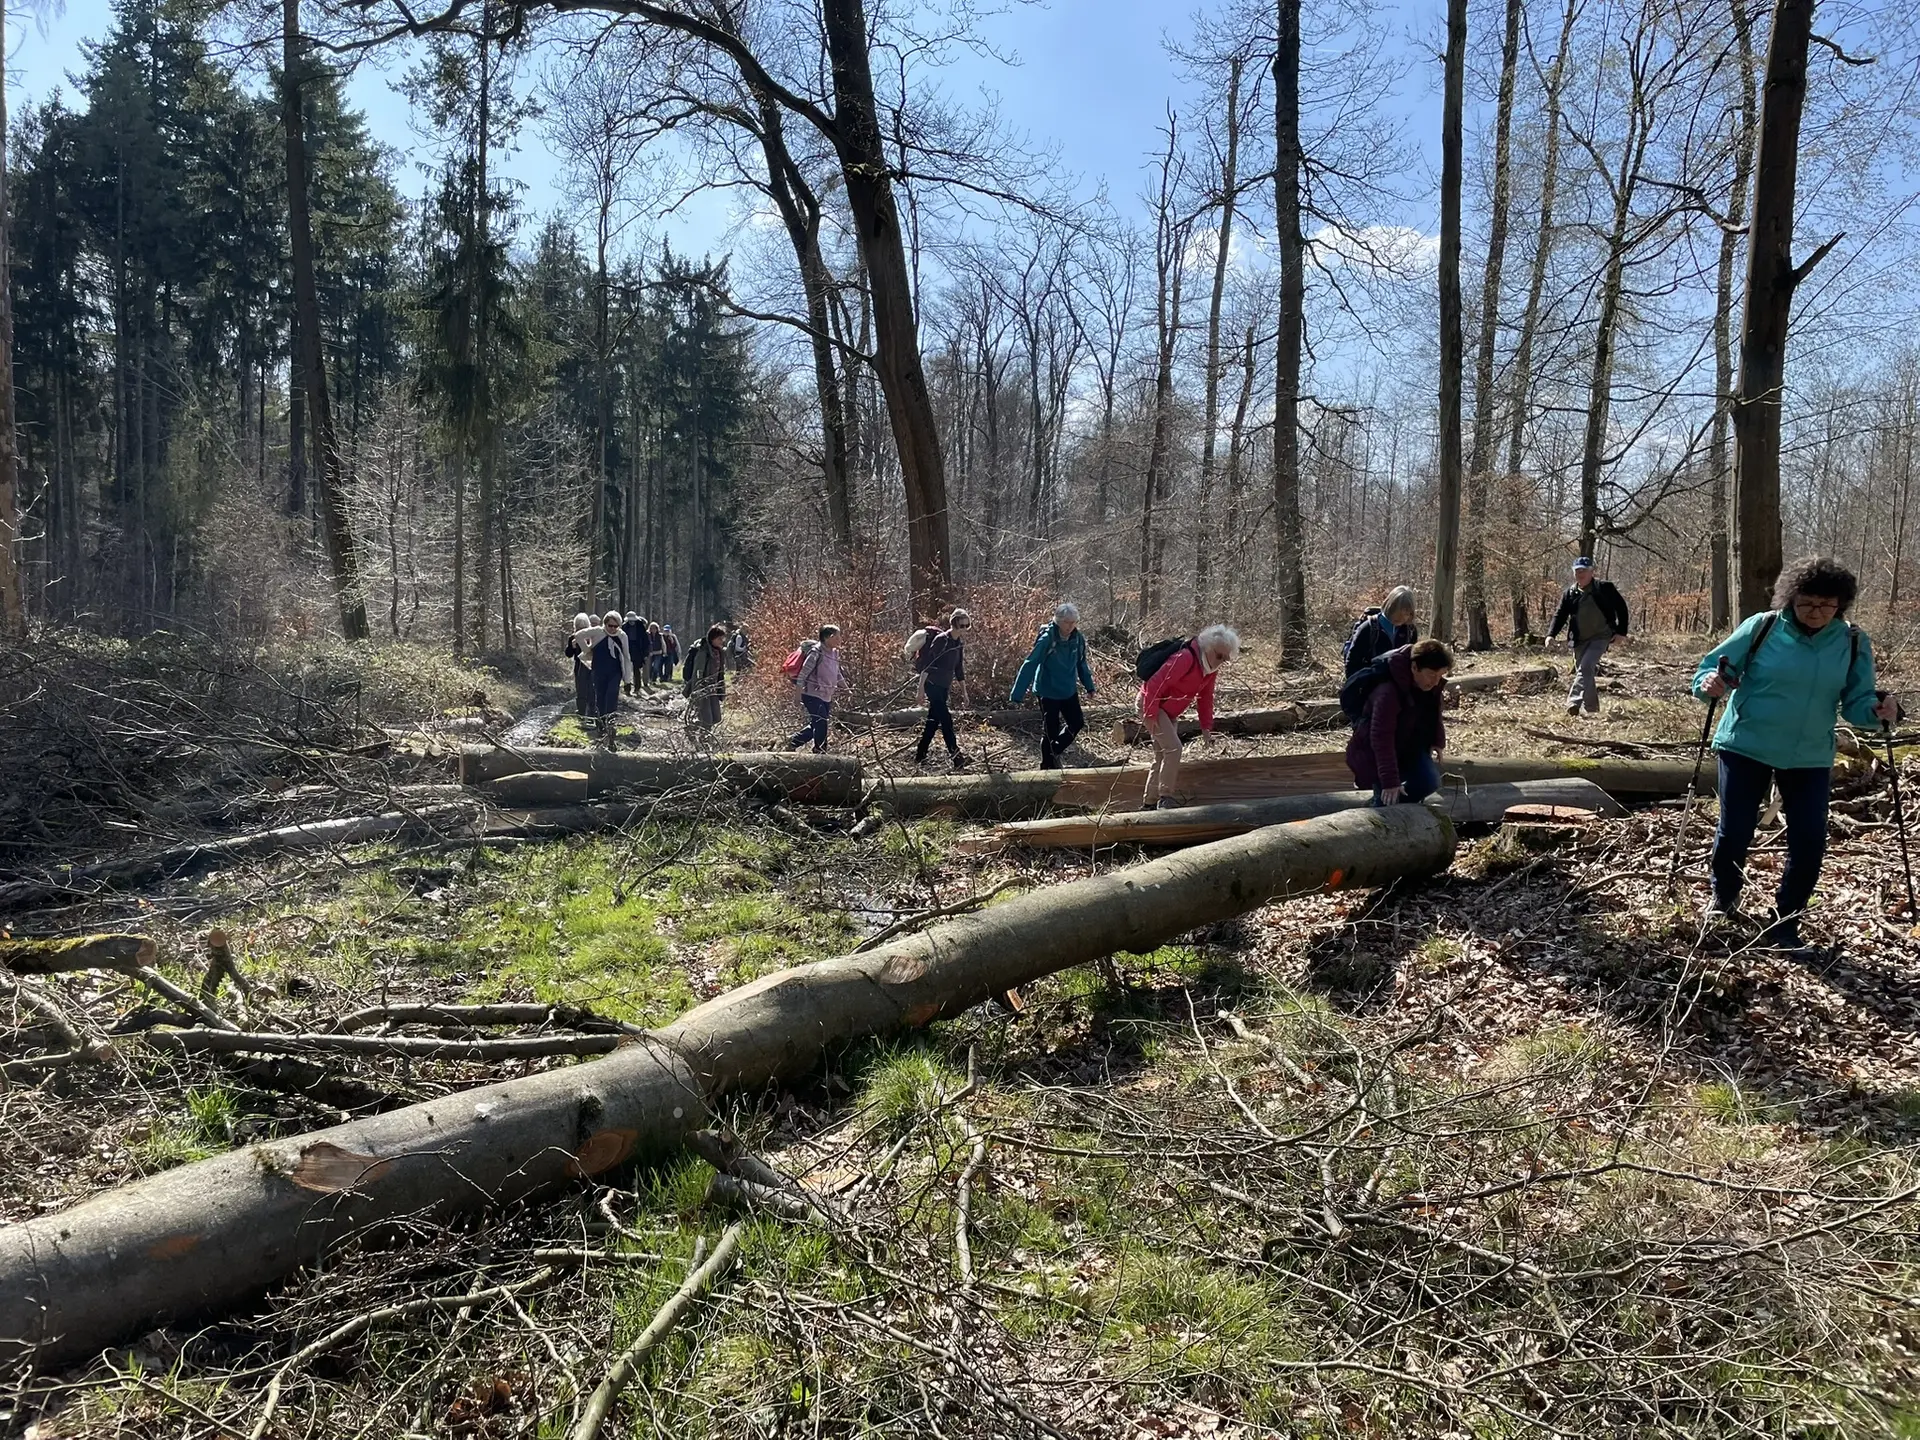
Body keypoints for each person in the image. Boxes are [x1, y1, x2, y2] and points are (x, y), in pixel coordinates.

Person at [1693, 556, 1897, 950]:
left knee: (1809, 840)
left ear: (1841, 604)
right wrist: (1711, 683)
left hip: (1809, 754)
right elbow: (1710, 671)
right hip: (1746, 744)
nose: (1816, 612)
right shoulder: (1763, 627)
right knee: (1736, 830)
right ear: (1790, 599)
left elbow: (1858, 702)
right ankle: (1723, 901)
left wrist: (1878, 711)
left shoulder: (1853, 641)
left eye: (1826, 604)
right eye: (1807, 603)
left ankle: (1785, 923)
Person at [1137, 624, 1239, 810]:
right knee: (1174, 748)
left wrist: (1206, 728)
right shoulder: (1185, 658)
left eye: (1225, 659)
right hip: (1152, 703)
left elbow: (1206, 698)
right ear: (1208, 648)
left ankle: (1149, 803)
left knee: (1162, 755)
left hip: (1168, 711)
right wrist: (1150, 714)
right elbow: (1154, 684)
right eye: (1219, 656)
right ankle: (1165, 798)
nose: (1220, 662)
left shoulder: (1210, 669)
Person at [1346, 639, 1453, 805]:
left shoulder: (1429, 685)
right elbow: (1381, 738)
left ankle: (1397, 811)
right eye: (1432, 675)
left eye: (1441, 675)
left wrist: (1437, 740)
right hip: (1376, 754)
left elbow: (1434, 712)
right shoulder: (1387, 692)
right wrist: (1390, 782)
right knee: (1387, 800)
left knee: (1429, 782)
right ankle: (1377, 808)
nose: (1435, 682)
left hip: (1409, 745)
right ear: (1414, 667)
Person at [1011, 602, 1098, 770]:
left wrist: (1089, 686)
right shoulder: (1047, 639)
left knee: (1077, 723)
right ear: (1058, 621)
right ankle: (1046, 767)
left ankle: (1055, 751)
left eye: (1073, 622)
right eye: (1067, 622)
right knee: (1050, 730)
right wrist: (1017, 693)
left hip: (1068, 690)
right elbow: (1030, 664)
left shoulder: (1077, 639)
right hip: (1048, 690)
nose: (1070, 626)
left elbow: (1081, 663)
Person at [1547, 557, 1631, 716]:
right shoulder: (1570, 593)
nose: (1580, 574)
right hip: (1579, 639)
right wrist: (1551, 634)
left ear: (1592, 572)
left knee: (1585, 667)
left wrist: (1621, 632)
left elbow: (1621, 608)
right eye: (1577, 571)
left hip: (1601, 636)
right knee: (1585, 672)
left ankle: (1573, 702)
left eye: (1584, 571)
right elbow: (1560, 615)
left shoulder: (1604, 588)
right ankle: (1592, 709)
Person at [913, 608, 973, 770]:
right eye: (962, 625)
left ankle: (920, 754)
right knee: (946, 720)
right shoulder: (941, 640)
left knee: (933, 722)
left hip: (944, 687)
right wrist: (920, 690)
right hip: (932, 685)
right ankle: (957, 758)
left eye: (967, 625)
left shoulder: (958, 644)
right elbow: (928, 665)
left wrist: (964, 692)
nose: (964, 629)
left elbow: (959, 669)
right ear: (954, 623)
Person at [787, 625, 844, 752]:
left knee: (817, 723)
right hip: (811, 694)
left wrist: (846, 689)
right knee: (821, 722)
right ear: (829, 637)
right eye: (837, 636)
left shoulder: (834, 653)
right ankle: (820, 751)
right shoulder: (816, 652)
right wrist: (797, 696)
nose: (840, 639)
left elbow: (837, 673)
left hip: (826, 695)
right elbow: (803, 674)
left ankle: (793, 742)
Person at [1343, 587, 1419, 678]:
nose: (1401, 618)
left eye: (1406, 614)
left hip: (1398, 683)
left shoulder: (1410, 631)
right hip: (1371, 682)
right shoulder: (1368, 628)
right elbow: (1351, 664)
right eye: (1398, 612)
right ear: (1390, 607)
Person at [682, 622, 730, 743]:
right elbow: (698, 672)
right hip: (703, 690)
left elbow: (720, 673)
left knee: (716, 717)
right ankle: (703, 739)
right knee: (707, 718)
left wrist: (721, 689)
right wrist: (698, 690)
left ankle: (693, 727)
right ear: (713, 638)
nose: (722, 641)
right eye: (720, 639)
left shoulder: (719, 652)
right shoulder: (703, 652)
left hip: (713, 690)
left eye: (723, 639)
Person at [587, 611, 633, 736]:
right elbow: (580, 635)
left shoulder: (622, 636)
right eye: (610, 626)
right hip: (598, 670)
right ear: (605, 624)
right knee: (600, 697)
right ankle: (600, 724)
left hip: (615, 671)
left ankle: (611, 723)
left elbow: (626, 656)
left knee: (612, 695)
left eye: (615, 626)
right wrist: (583, 648)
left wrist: (627, 678)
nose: (612, 629)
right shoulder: (598, 633)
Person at [564, 612, 597, 719]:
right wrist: (572, 647)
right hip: (579, 667)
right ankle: (581, 711)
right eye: (579, 627)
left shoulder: (592, 636)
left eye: (583, 627)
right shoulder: (573, 637)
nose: (581, 630)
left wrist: (588, 644)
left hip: (592, 666)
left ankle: (592, 712)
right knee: (580, 689)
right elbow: (568, 654)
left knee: (592, 690)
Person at [622, 613, 648, 695]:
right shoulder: (624, 627)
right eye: (630, 621)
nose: (631, 622)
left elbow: (645, 640)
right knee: (627, 669)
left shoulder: (640, 627)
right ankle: (627, 688)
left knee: (637, 670)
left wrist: (645, 653)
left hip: (638, 650)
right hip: (627, 649)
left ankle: (637, 688)